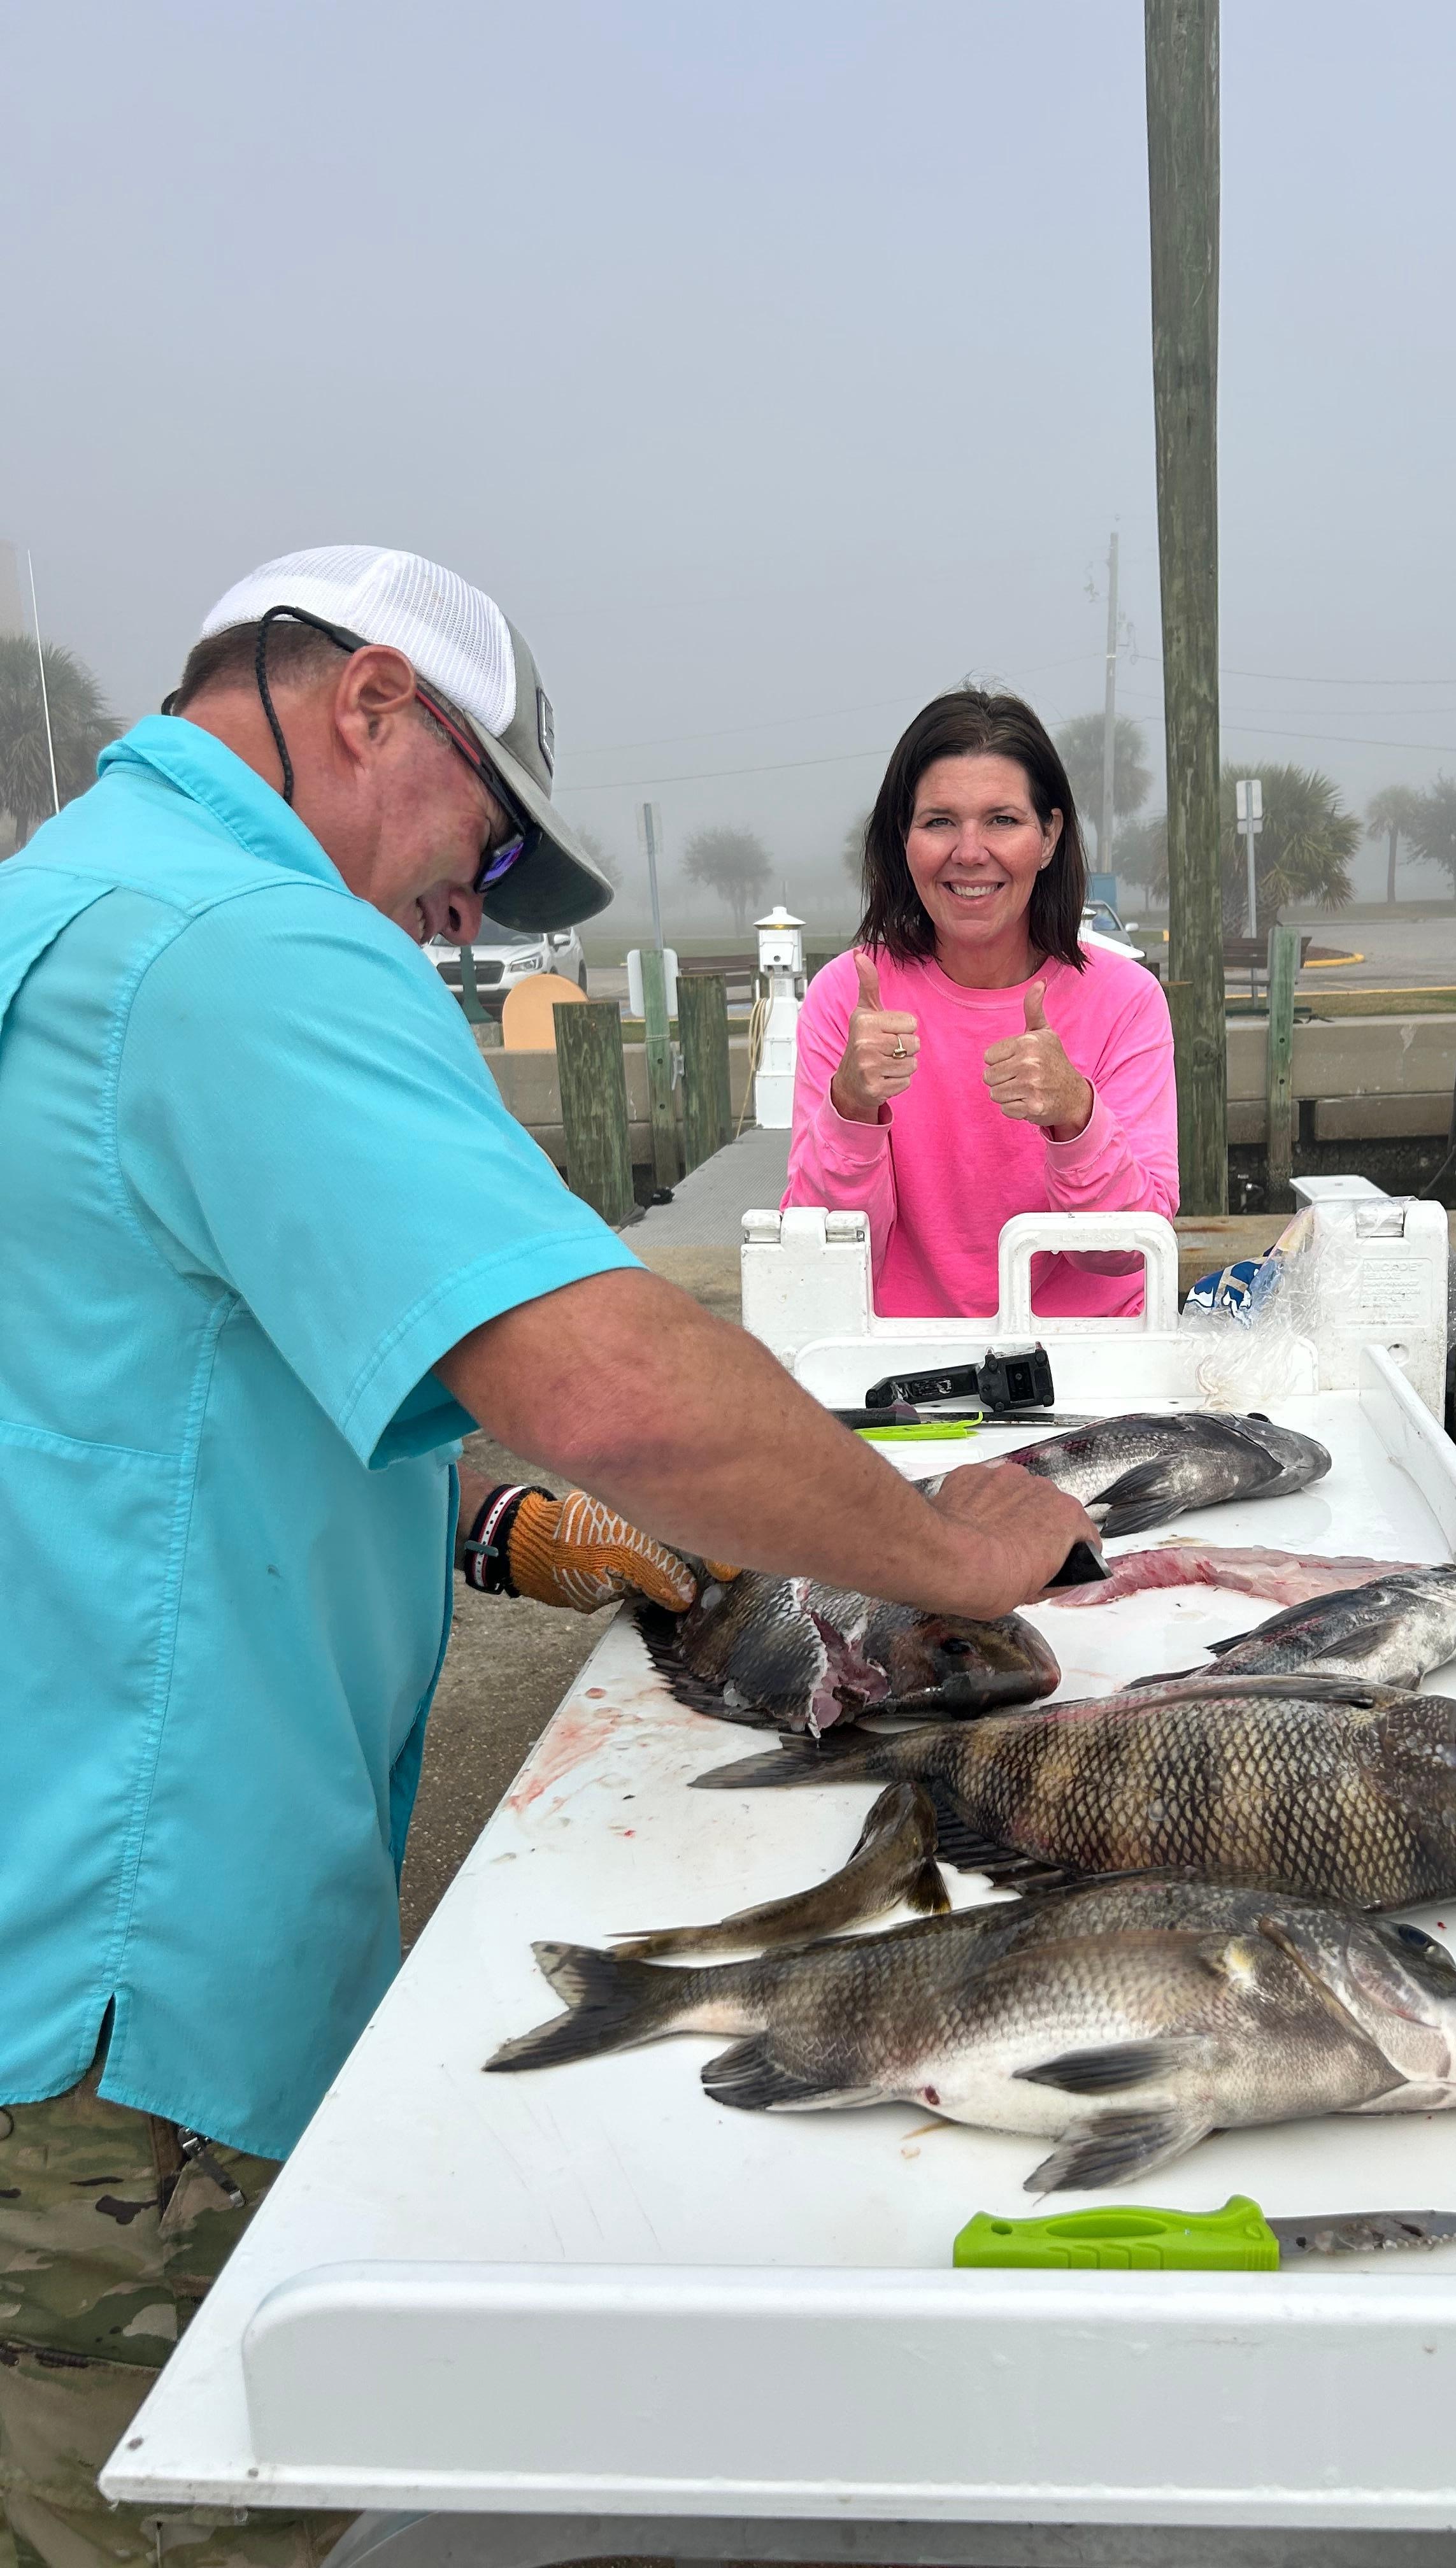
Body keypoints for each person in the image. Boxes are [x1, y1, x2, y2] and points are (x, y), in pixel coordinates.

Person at [0, 549, 1094, 2568]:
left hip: (38, 1883)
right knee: (180, 2511)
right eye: (485, 854)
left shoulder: (56, 909)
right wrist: (950, 1552)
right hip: (120, 1992)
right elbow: (610, 1378)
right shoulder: (247, 944)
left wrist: (485, 1518)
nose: (465, 915)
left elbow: (128, 1375)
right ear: (371, 708)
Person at [783, 689, 1177, 1318]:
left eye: (1002, 820)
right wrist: (851, 1107)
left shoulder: (1127, 999)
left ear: (1048, 837)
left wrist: (1077, 1114)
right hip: (908, 1370)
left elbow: (1128, 1254)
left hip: (1096, 1358)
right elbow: (822, 1255)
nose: (969, 852)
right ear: (902, 840)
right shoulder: (846, 998)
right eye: (939, 821)